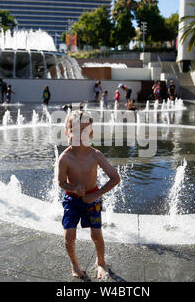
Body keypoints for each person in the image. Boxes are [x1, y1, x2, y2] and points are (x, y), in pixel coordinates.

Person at [58, 110, 120, 279]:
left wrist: (96, 194)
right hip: (72, 200)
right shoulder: (64, 158)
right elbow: (61, 182)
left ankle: (101, 262)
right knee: (69, 235)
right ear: (67, 132)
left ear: (90, 133)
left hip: (92, 199)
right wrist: (72, 188)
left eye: (84, 131)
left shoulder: (95, 155)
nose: (79, 136)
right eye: (75, 131)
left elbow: (115, 178)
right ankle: (74, 264)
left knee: (96, 235)